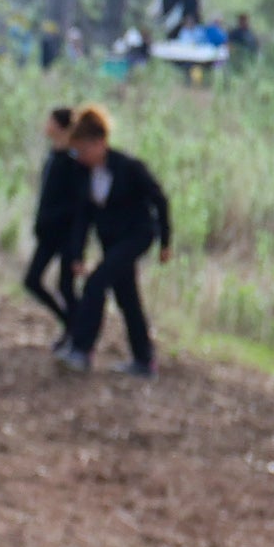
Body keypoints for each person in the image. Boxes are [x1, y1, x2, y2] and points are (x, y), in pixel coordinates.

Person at [61, 102, 172, 377]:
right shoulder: (85, 175)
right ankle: (144, 360)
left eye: (83, 149)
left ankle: (81, 349)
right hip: (112, 241)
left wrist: (166, 241)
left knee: (96, 283)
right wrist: (77, 254)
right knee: (127, 297)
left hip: (137, 235)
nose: (80, 156)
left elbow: (160, 199)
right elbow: (83, 217)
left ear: (99, 143)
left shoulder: (129, 167)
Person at [22, 104, 85, 349]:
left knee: (66, 286)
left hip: (66, 235)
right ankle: (71, 324)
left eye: (49, 121)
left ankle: (78, 334)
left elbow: (77, 204)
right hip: (48, 233)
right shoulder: (53, 156)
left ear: (60, 127)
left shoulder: (72, 161)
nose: (45, 125)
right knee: (32, 280)